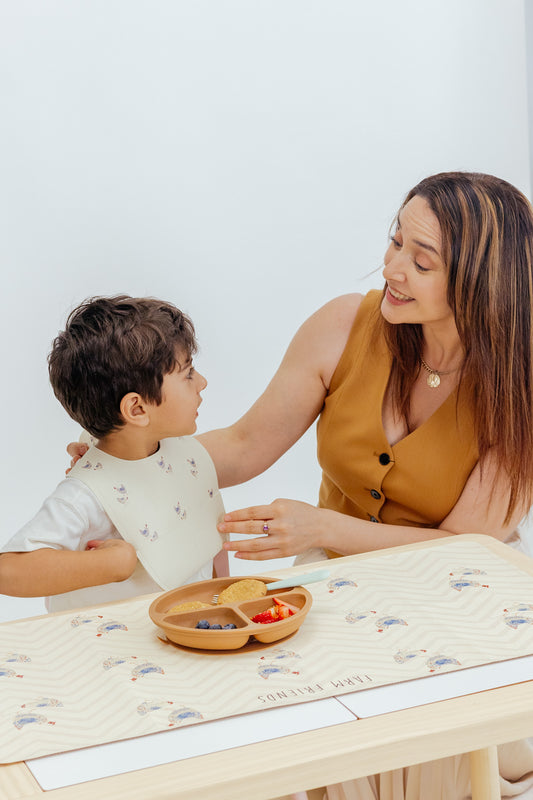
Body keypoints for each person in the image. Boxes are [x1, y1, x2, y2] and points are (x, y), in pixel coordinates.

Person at [65, 172, 533, 799]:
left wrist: (323, 528)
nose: (392, 268)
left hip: (459, 599)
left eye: (421, 262)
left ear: (479, 281)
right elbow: (242, 445)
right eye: (395, 243)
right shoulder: (345, 325)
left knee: (426, 742)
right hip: (334, 582)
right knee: (282, 718)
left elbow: (464, 551)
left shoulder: (519, 385)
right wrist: (129, 460)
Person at [0, 295, 227, 613]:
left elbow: (207, 539)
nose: (202, 382)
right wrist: (110, 563)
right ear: (137, 408)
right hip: (106, 653)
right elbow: (8, 571)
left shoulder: (184, 455)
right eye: (188, 373)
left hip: (189, 636)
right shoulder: (87, 495)